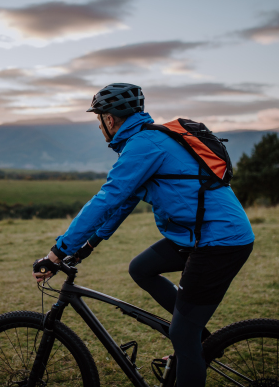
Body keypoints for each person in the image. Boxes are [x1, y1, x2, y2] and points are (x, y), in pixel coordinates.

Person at [32, 83, 254, 386]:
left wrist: (57, 252)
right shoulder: (146, 140)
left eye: (99, 120)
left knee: (181, 333)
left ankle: (188, 339)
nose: (99, 126)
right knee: (142, 268)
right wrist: (89, 244)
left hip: (220, 241)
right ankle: (195, 338)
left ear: (109, 119)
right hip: (196, 235)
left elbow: (107, 198)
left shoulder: (145, 144)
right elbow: (124, 201)